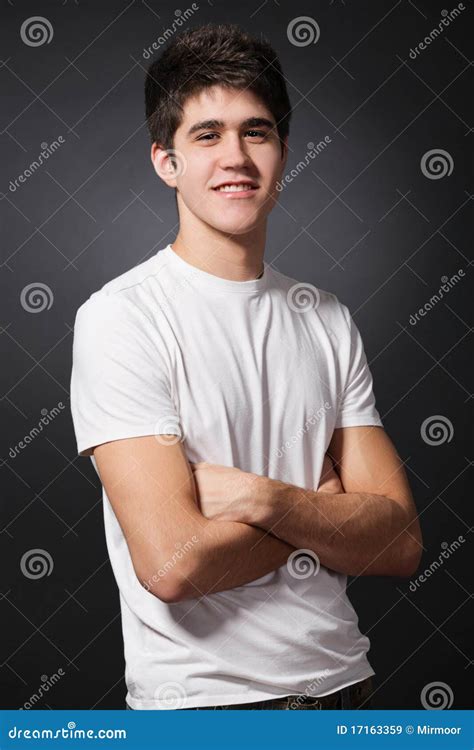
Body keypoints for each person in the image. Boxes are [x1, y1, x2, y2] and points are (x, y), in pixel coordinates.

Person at [70, 23, 422, 711]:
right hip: (205, 708)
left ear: (284, 153)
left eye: (255, 132)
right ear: (165, 161)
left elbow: (402, 543)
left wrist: (268, 500)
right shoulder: (121, 319)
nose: (236, 156)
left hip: (347, 687)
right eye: (207, 135)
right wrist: (325, 515)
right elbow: (173, 567)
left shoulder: (325, 317)